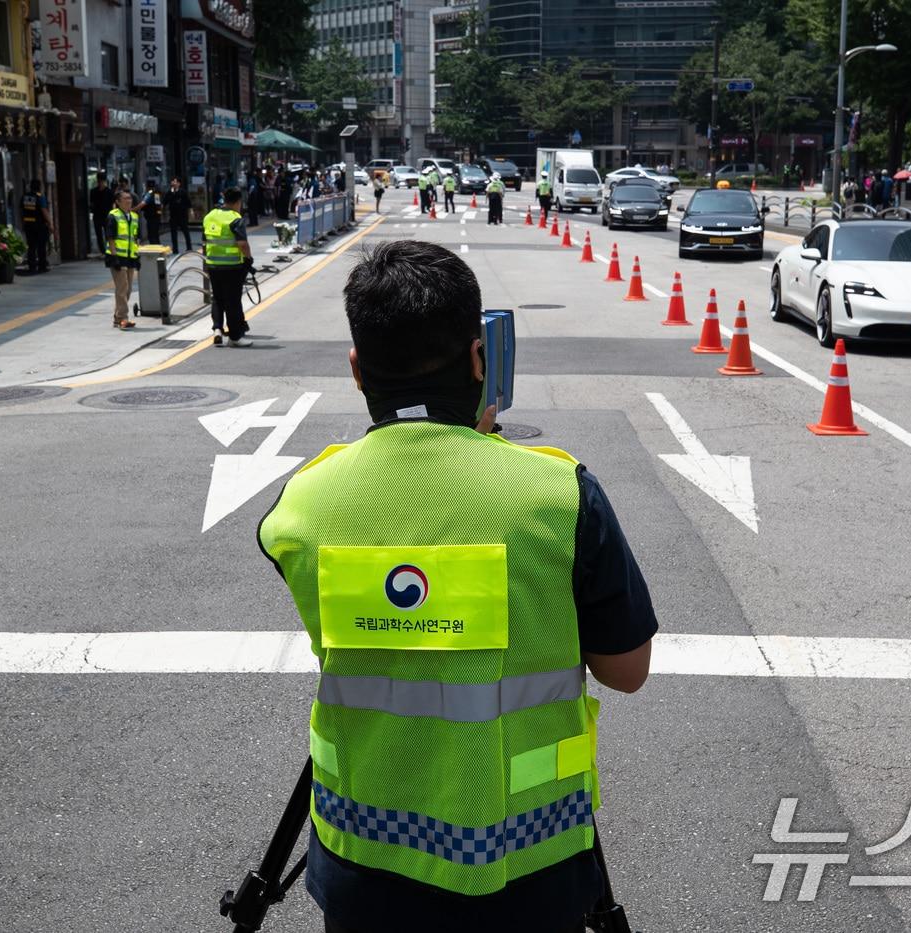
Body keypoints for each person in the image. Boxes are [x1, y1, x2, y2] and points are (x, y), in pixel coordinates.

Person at [257, 239, 656, 933]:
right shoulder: (559, 495)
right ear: (479, 360)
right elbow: (627, 670)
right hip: (531, 867)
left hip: (365, 867)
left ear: (357, 371)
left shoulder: (303, 504)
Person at [202, 187, 254, 348]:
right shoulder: (235, 218)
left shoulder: (210, 216)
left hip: (212, 265)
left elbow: (205, 240)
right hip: (232, 266)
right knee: (233, 301)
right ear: (238, 202)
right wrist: (248, 259)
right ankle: (235, 337)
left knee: (217, 298)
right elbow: (242, 244)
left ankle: (217, 329)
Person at [105, 190, 141, 330]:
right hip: (117, 257)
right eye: (125, 199)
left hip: (130, 257)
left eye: (130, 198)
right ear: (118, 202)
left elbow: (135, 238)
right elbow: (110, 238)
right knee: (122, 288)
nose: (129, 201)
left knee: (128, 289)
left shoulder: (134, 216)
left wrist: (137, 255)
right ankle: (123, 318)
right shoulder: (113, 216)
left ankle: (117, 318)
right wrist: (114, 257)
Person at [20, 179, 54, 274]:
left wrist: (23, 222)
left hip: (28, 225)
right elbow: (44, 211)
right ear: (39, 187)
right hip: (39, 226)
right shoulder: (40, 197)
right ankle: (42, 266)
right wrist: (50, 223)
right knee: (41, 246)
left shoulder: (25, 197)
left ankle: (32, 267)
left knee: (31, 247)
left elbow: (21, 211)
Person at [163, 178, 193, 252]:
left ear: (179, 184)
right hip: (173, 215)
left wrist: (191, 211)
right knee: (173, 233)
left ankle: (189, 247)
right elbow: (164, 202)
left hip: (182, 215)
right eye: (172, 181)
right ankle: (175, 249)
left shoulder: (183, 192)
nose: (173, 183)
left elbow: (188, 202)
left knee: (185, 231)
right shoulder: (169, 192)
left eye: (175, 181)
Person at [89, 173, 114, 258]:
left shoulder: (109, 192)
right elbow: (91, 203)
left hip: (107, 216)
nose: (100, 183)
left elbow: (113, 204)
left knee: (108, 234)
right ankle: (103, 252)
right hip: (97, 215)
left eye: (102, 181)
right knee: (98, 234)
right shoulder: (93, 191)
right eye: (99, 181)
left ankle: (108, 250)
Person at [141, 179, 163, 246]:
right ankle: (157, 248)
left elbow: (143, 204)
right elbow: (159, 206)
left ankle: (155, 249)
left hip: (152, 217)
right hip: (155, 217)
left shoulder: (150, 194)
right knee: (155, 235)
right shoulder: (156, 194)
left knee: (152, 235)